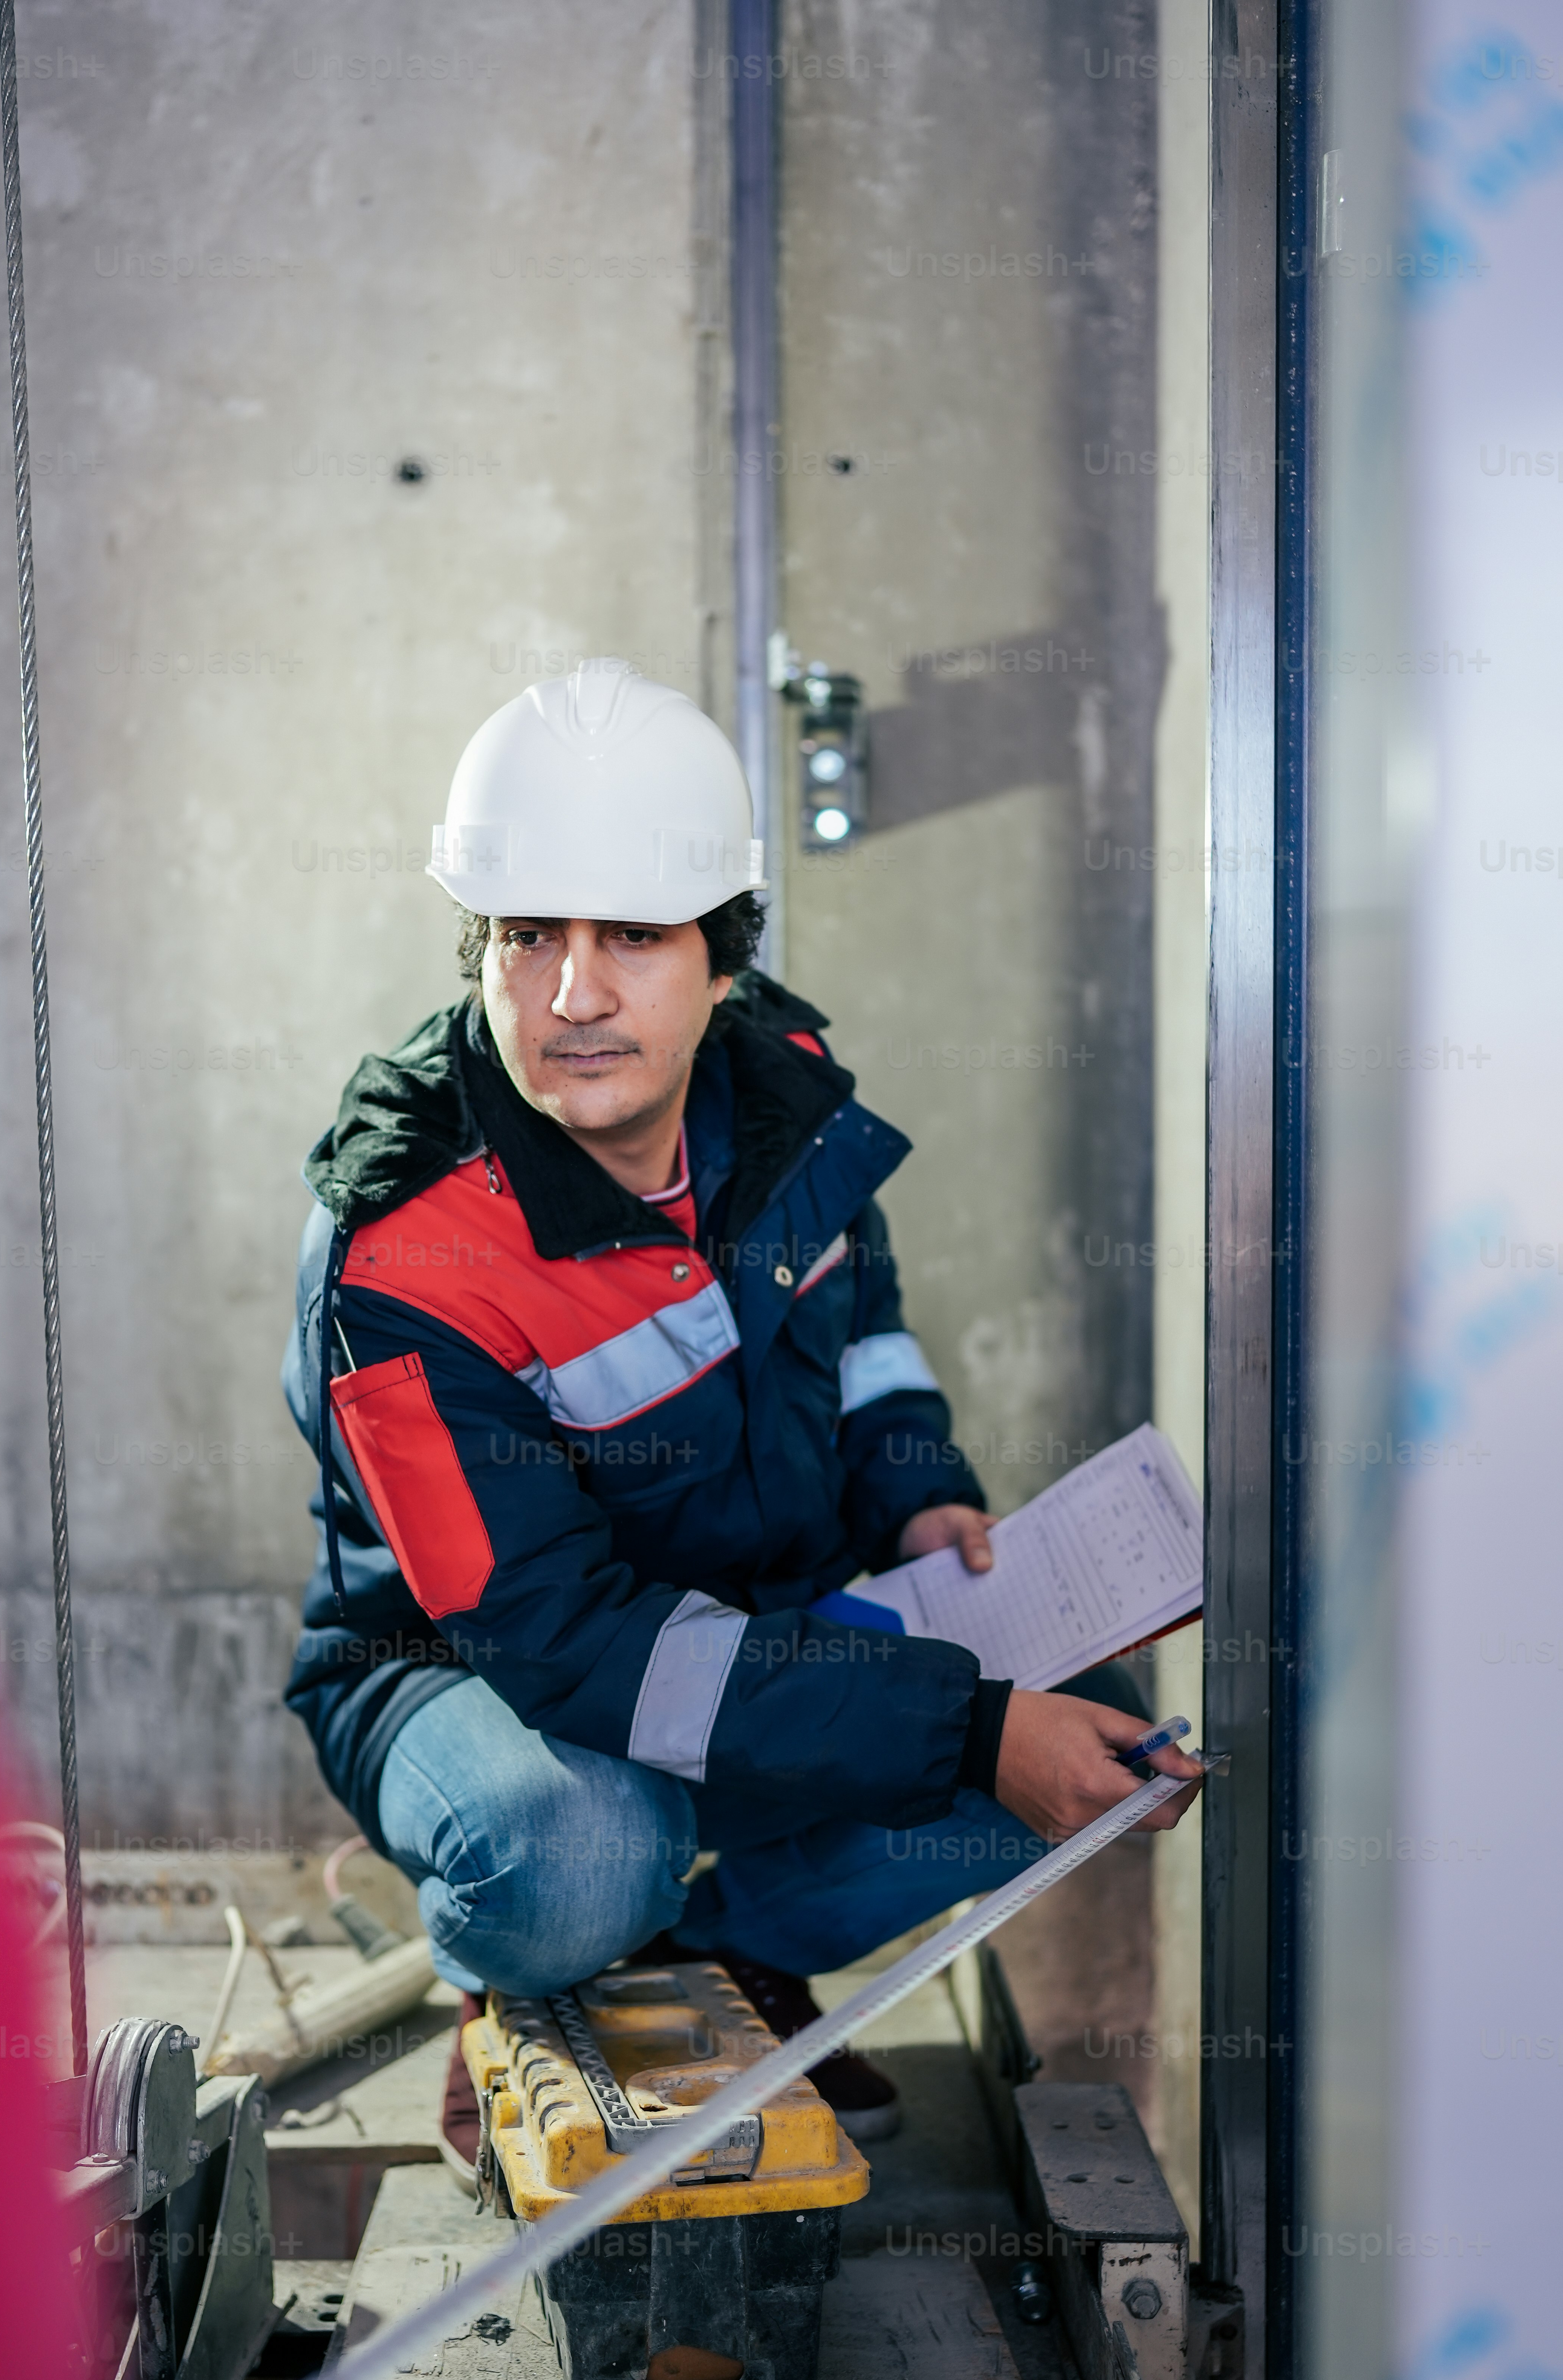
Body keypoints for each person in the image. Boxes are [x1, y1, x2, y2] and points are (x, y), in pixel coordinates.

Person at [281, 658, 1200, 2173]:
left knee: (1085, 1722)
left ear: (719, 965)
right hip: (471, 1681)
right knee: (585, 1849)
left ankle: (716, 1964)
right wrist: (963, 1727)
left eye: (633, 937)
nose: (574, 994)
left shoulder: (776, 1096)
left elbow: (865, 1317)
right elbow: (568, 1645)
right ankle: (525, 1977)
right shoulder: (405, 1258)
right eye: (527, 937)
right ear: (480, 956)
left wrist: (918, 1486)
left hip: (748, 1612)